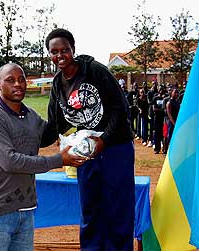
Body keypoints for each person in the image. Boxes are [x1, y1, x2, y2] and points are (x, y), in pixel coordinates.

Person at [0, 63, 84, 251]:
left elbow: (47, 135)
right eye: (10, 80)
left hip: (26, 210)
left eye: (22, 79)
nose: (18, 84)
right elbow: (10, 161)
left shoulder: (30, 115)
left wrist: (70, 108)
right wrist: (59, 159)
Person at [43, 28, 135, 250]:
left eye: (64, 49)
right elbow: (54, 124)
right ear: (49, 55)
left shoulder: (95, 71)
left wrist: (103, 141)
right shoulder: (57, 84)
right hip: (86, 152)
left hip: (115, 148)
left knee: (118, 208)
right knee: (90, 209)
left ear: (73, 49)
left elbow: (120, 109)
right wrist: (22, 136)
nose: (60, 55)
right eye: (54, 52)